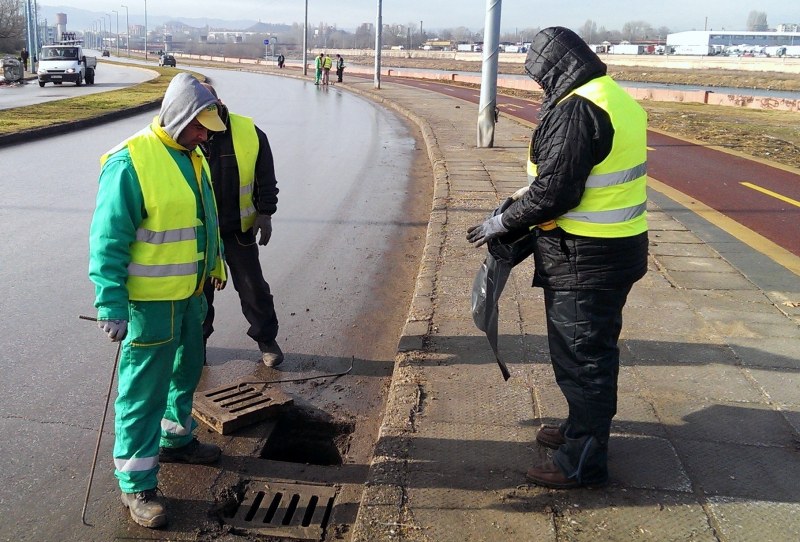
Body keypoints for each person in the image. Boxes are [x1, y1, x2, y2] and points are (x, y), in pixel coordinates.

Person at [467, 26, 648, 489]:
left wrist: (502, 224)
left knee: (582, 359)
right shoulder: (611, 96)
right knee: (588, 352)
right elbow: (570, 176)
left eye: (541, 76)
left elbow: (556, 191)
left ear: (556, 68)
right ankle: (577, 430)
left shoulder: (577, 109)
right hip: (611, 250)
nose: (540, 86)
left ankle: (583, 461)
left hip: (584, 260)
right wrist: (516, 205)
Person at [89, 72, 228, 529]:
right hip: (150, 306)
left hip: (190, 297)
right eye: (199, 126)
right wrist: (110, 304)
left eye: (208, 127)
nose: (205, 134)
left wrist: (215, 267)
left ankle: (176, 439)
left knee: (185, 374)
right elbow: (108, 240)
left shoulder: (192, 155)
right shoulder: (130, 162)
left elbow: (203, 218)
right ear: (178, 116)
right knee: (142, 393)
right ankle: (137, 485)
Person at [199, 83, 283, 367]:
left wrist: (265, 213)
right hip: (198, 233)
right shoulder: (186, 133)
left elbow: (265, 177)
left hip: (237, 229)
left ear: (219, 104)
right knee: (199, 293)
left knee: (253, 288)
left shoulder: (248, 133)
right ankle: (196, 345)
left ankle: (266, 339)